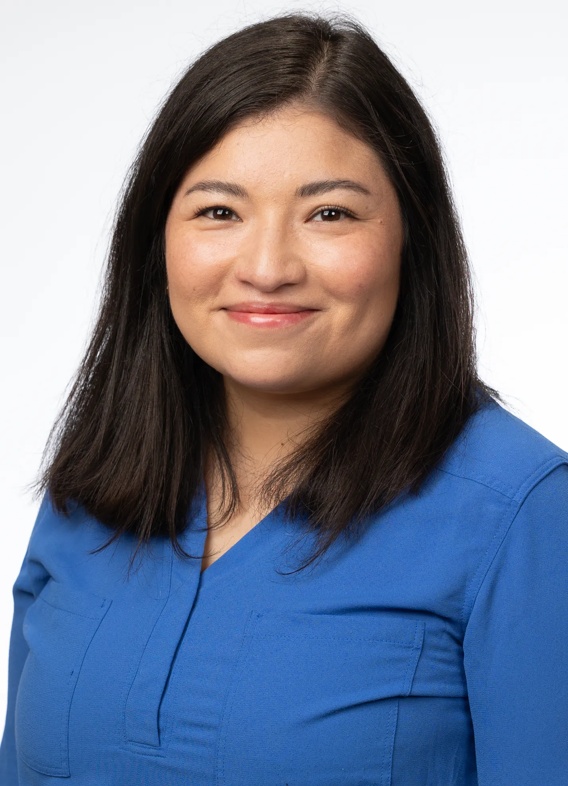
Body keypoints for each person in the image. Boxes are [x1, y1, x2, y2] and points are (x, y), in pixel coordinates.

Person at [1, 11, 567, 786]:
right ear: (156, 239)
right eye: (219, 211)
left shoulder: (524, 515)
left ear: (412, 237)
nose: (267, 268)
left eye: (329, 213)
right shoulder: (96, 482)